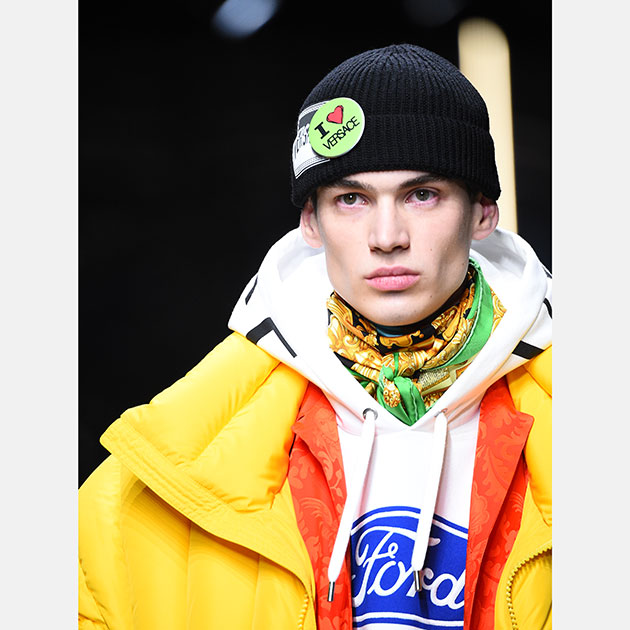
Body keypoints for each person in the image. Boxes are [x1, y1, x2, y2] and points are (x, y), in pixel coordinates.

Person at [79, 44, 551, 630]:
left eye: (421, 195)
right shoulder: (151, 481)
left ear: (482, 212)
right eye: (351, 199)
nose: (387, 236)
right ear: (311, 221)